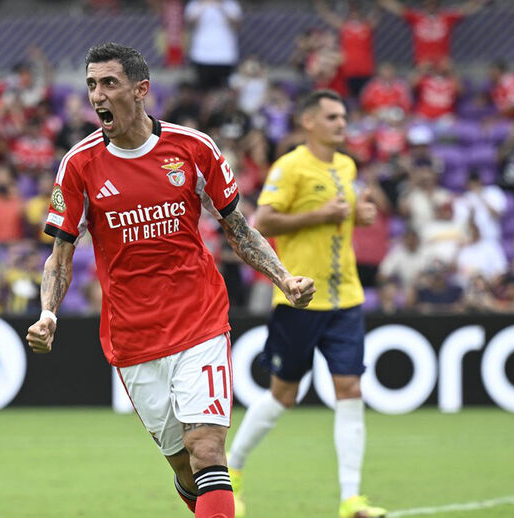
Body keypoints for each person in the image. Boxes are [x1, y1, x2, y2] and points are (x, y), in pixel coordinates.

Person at [25, 43, 314, 518]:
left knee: (206, 451)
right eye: (92, 85)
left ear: (141, 90)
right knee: (184, 468)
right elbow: (61, 255)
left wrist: (283, 277)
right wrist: (48, 313)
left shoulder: (193, 148)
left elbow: (238, 229)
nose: (98, 95)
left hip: (198, 319)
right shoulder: (79, 164)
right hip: (133, 336)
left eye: (109, 83)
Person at [226, 90, 385, 518]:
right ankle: (232, 474)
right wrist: (321, 216)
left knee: (350, 389)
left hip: (346, 297)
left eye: (344, 116)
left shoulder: (348, 166)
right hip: (300, 297)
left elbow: (342, 213)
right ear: (308, 121)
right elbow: (262, 220)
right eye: (332, 116)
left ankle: (352, 499)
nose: (342, 123)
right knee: (283, 395)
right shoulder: (291, 166)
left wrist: (357, 215)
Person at [377, 0, 488, 66]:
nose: (431, 6)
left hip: (442, 62)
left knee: (449, 70)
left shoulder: (446, 18)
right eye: (428, 3)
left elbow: (464, 10)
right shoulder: (417, 18)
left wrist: (480, 2)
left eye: (434, 3)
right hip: (422, 62)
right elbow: (399, 9)